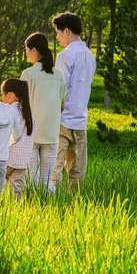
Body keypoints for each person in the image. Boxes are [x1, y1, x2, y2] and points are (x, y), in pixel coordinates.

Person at [52, 12, 96, 191]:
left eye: (58, 32)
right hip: (80, 120)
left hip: (62, 120)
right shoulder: (89, 56)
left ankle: (52, 203)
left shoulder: (65, 56)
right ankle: (74, 203)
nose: (58, 37)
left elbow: (59, 90)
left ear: (67, 31)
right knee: (77, 170)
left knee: (54, 167)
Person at [21, 33, 68, 193]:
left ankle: (32, 209)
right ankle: (54, 207)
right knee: (47, 180)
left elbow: (23, 106)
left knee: (31, 178)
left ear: (34, 50)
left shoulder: (28, 74)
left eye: (26, 49)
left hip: (31, 133)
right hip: (51, 134)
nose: (26, 53)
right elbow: (62, 104)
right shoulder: (58, 75)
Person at [1, 78, 36, 199]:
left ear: (9, 95)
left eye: (3, 96)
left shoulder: (8, 110)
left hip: (7, 159)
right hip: (22, 161)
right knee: (16, 195)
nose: (3, 100)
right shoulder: (29, 112)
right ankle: (16, 214)